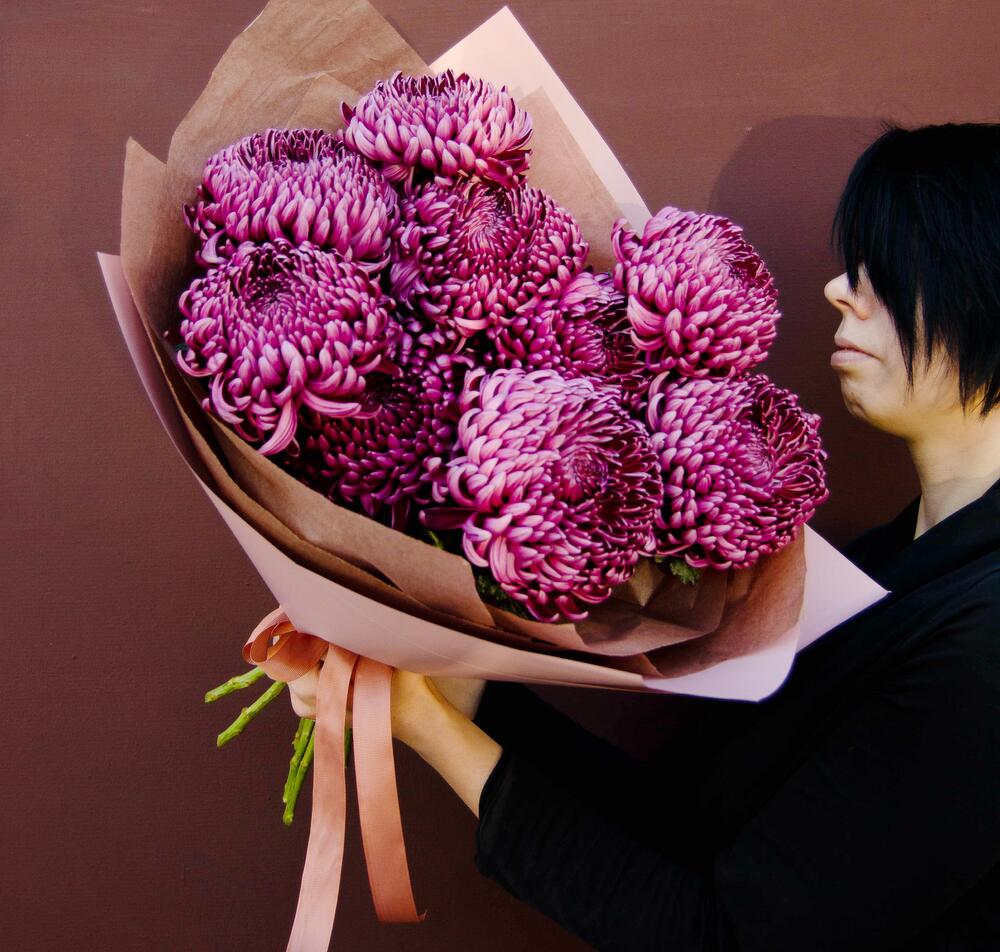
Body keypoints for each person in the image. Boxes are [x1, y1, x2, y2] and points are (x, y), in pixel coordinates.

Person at [289, 121, 1000, 950]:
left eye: (892, 264)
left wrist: (431, 729)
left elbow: (725, 938)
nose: (840, 289)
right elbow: (691, 831)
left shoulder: (987, 641)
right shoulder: (892, 567)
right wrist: (455, 687)